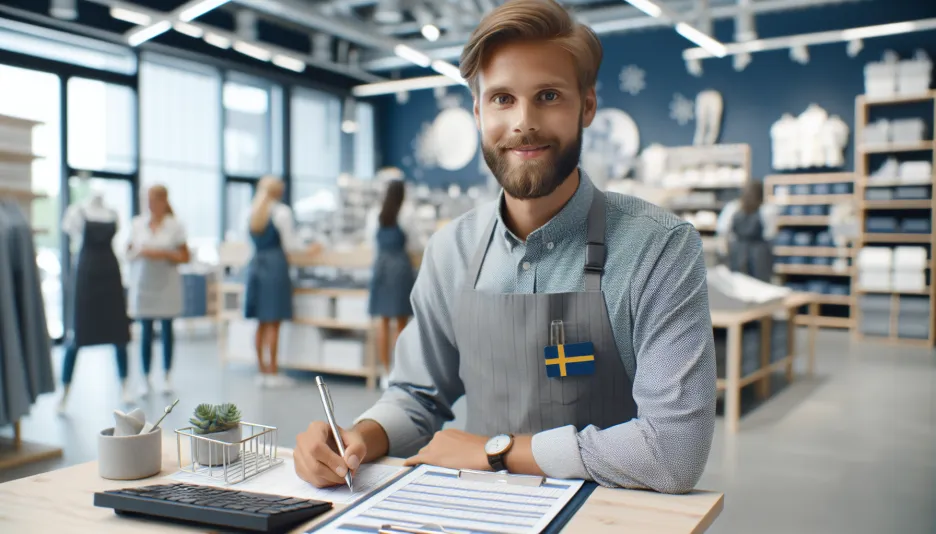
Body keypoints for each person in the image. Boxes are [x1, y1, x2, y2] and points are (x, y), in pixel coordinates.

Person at [295, 0, 716, 495]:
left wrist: (496, 451)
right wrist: (360, 437)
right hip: (481, 514)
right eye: (501, 99)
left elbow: (674, 452)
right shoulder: (450, 252)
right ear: (477, 111)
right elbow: (416, 395)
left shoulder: (659, 249)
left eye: (548, 95)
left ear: (586, 106)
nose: (523, 121)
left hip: (610, 517)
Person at [245, 176, 317, 387]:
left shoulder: (250, 211)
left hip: (257, 265)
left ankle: (262, 372)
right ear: (278, 192)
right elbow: (291, 245)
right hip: (275, 266)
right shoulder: (281, 212)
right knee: (274, 321)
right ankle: (273, 372)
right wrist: (311, 249)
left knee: (260, 322)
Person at [127, 184, 190, 396]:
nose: (151, 204)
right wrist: (143, 252)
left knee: (166, 330)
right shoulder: (137, 224)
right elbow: (127, 252)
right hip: (144, 285)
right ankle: (145, 378)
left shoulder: (175, 225)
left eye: (155, 200)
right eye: (148, 199)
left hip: (167, 285)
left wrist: (162, 254)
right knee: (145, 332)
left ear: (164, 201)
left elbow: (185, 256)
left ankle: (167, 376)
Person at [367, 180, 417, 376]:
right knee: (402, 322)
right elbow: (414, 243)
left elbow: (371, 242)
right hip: (400, 268)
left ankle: (385, 371)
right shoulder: (407, 212)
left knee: (383, 321)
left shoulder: (374, 213)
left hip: (380, 267)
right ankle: (400, 371)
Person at [715, 181, 778, 282]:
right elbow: (770, 234)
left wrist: (724, 252)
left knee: (739, 283)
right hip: (759, 251)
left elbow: (723, 231)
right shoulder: (767, 209)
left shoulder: (732, 208)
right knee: (760, 284)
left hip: (738, 250)